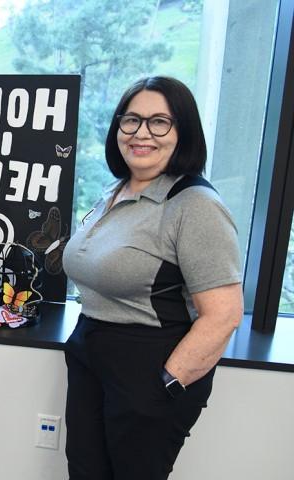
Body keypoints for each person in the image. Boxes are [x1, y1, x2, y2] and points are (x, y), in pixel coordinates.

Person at [61, 76, 243, 480]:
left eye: (160, 122)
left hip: (149, 366)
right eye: (132, 120)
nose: (142, 133)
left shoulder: (195, 205)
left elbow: (224, 315)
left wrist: (166, 384)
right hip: (91, 355)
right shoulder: (116, 191)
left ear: (184, 132)